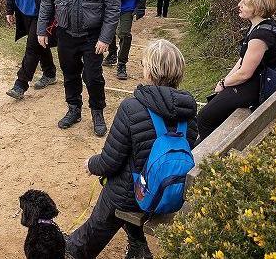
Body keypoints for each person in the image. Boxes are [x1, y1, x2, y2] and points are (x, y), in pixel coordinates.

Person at [66, 39, 198, 259]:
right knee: (130, 174)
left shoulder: (132, 107)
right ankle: (137, 247)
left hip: (136, 195)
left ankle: (75, 249)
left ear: (150, 71)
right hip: (169, 192)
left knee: (114, 191)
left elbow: (110, 162)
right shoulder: (190, 114)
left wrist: (91, 164)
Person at [37, 0, 120, 137]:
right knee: (70, 73)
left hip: (92, 35)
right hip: (66, 32)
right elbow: (47, 0)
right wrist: (42, 29)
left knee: (92, 76)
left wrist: (105, 38)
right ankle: (74, 109)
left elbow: (113, 7)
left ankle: (97, 112)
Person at [196, 0, 276, 142]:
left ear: (256, 8)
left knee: (204, 118)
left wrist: (224, 83)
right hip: (258, 81)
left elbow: (245, 73)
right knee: (213, 109)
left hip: (258, 87)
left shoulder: (260, 36)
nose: (239, 5)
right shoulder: (265, 26)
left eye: (244, 3)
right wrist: (225, 81)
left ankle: (208, 155)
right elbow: (242, 60)